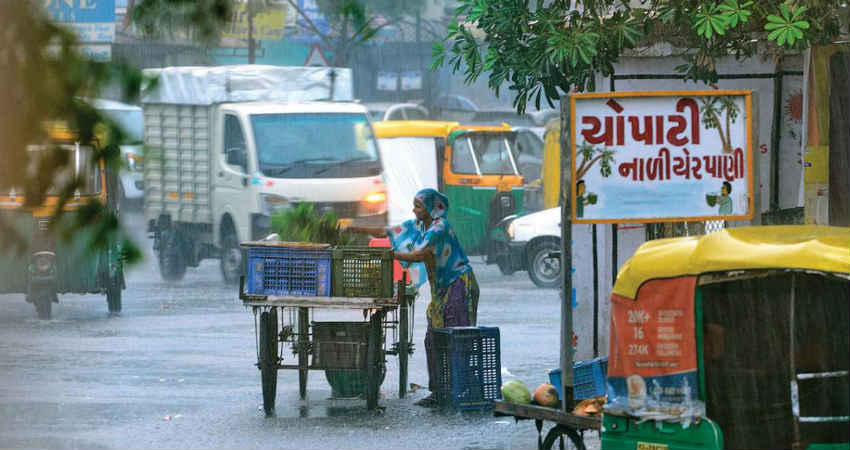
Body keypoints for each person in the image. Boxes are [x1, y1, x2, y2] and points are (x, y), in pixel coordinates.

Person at [346, 188, 480, 407]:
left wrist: (391, 255)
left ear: (429, 207)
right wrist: (354, 228)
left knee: (456, 338)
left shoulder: (439, 228)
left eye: (418, 206)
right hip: (441, 289)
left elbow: (420, 254)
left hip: (458, 285)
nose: (414, 209)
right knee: (433, 340)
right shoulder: (418, 226)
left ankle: (462, 389)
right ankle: (438, 391)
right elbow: (386, 231)